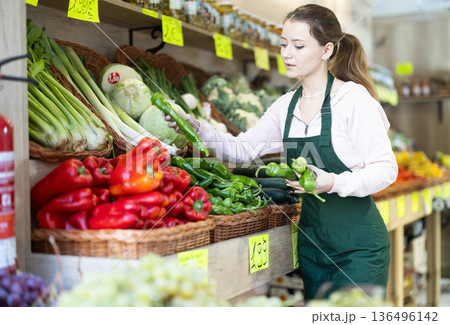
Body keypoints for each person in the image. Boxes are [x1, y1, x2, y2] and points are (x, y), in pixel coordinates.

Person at [165, 4, 398, 300]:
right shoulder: (285, 105)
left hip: (359, 249)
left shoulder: (353, 101)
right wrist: (196, 127)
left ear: (327, 50)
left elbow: (386, 169)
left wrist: (332, 182)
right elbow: (243, 149)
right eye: (284, 44)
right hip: (313, 247)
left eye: (299, 46)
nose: (287, 53)